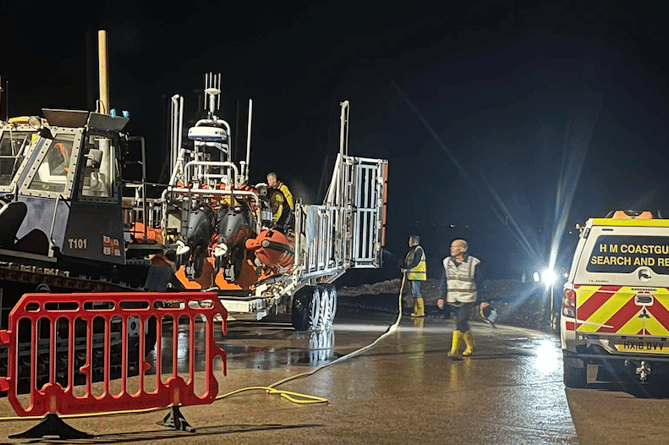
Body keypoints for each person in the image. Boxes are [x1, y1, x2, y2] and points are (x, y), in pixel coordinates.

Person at [437, 238, 481, 356]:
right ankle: (470, 346)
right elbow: (444, 281)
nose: (451, 249)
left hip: (468, 297)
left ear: (462, 249)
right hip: (453, 298)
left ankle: (454, 350)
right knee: (461, 323)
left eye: (454, 247)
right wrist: (441, 297)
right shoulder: (447, 262)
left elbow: (480, 282)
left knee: (461, 321)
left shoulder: (474, 263)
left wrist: (484, 300)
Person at [401, 235, 427, 317]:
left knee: (416, 292)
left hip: (417, 275)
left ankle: (420, 311)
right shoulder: (413, 251)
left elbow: (416, 262)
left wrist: (407, 268)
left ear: (413, 241)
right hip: (413, 275)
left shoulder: (418, 250)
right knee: (414, 292)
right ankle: (416, 311)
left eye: (410, 240)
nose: (409, 242)